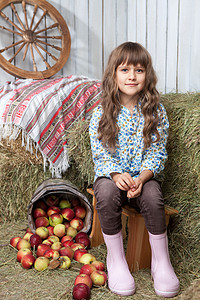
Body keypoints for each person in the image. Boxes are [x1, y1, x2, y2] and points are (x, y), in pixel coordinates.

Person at [89, 42, 180, 297]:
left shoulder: (155, 111)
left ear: (147, 75)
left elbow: (157, 152)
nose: (131, 76)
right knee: (105, 195)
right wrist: (117, 175)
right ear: (113, 74)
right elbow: (101, 153)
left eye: (139, 70)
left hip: (143, 176)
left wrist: (142, 177)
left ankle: (161, 263)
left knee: (153, 197)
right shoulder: (102, 112)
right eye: (125, 69)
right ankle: (116, 260)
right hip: (112, 176)